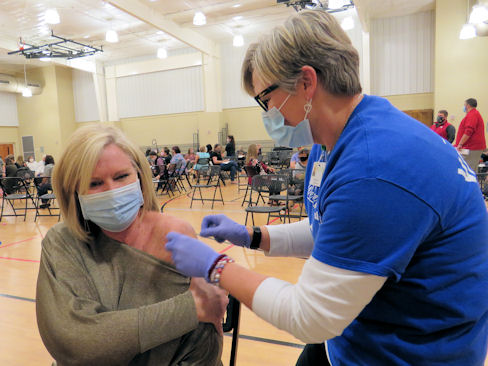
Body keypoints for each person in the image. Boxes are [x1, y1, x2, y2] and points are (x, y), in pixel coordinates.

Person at [164, 9, 488, 366]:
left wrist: (217, 267)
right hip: (361, 328)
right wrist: (253, 236)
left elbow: (310, 317)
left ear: (306, 82)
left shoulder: (374, 169)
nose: (267, 113)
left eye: (265, 100)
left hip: (409, 352)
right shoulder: (336, 136)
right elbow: (333, 227)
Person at [36, 125, 226, 365]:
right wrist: (187, 310)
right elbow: (76, 341)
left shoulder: (176, 236)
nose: (112, 192)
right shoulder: (62, 241)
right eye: (94, 184)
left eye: (121, 176)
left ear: (139, 175)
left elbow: (202, 343)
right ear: (74, 191)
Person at [455, 98, 486, 173]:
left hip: (472, 147)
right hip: (472, 147)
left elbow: (468, 131)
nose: (464, 107)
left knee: (468, 171)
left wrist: (460, 144)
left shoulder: (473, 114)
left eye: (464, 105)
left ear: (468, 105)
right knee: (471, 170)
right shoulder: (473, 114)